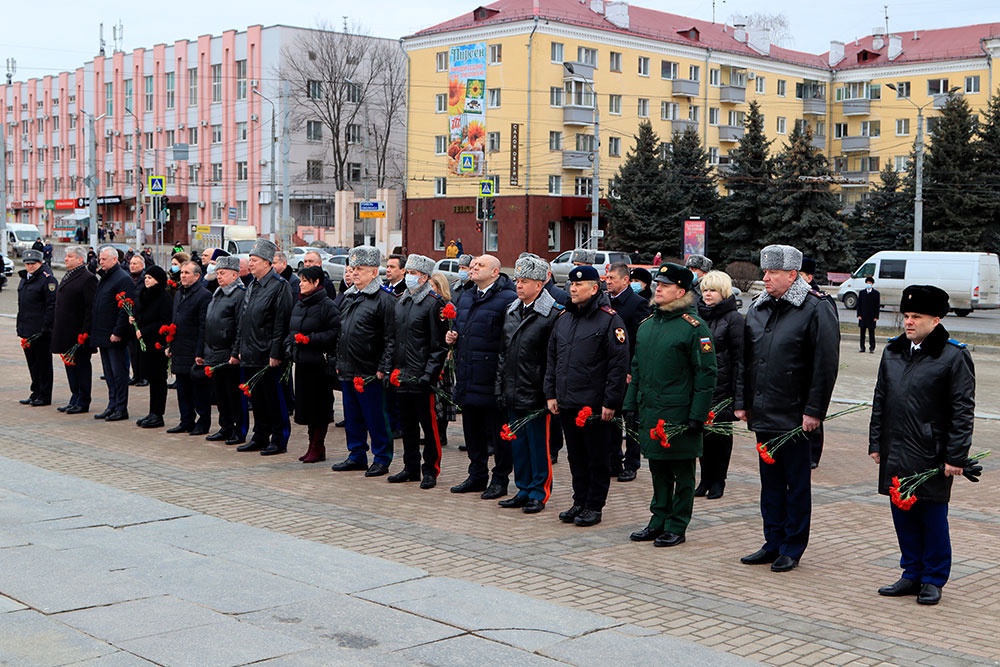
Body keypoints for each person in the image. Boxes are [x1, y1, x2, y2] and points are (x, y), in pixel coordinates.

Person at [869, 285, 976, 606]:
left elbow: (962, 411)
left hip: (931, 453)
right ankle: (911, 573)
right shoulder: (893, 352)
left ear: (937, 319)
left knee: (931, 518)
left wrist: (955, 456)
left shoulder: (954, 356)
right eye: (906, 316)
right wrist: (876, 442)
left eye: (917, 316)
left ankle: (933, 579)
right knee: (903, 515)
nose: (909, 322)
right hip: (895, 450)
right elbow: (880, 401)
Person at [735, 244, 840, 572]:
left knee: (795, 484)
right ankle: (772, 540)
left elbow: (825, 365)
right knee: (770, 483)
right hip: (764, 412)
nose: (764, 278)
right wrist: (742, 403)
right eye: (764, 271)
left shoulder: (814, 308)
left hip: (795, 416)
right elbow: (745, 360)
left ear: (792, 275)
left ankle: (793, 546)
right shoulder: (758, 307)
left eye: (772, 273)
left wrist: (814, 410)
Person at [625, 263, 717, 546]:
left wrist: (697, 416)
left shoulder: (693, 328)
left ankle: (677, 525)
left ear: (681, 290)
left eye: (665, 285)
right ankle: (658, 520)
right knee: (658, 469)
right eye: (658, 284)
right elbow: (637, 367)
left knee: (682, 472)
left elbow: (706, 375)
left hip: (679, 414)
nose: (658, 289)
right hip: (652, 410)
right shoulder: (648, 325)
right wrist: (630, 403)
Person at [545, 265, 629, 527]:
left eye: (579, 284)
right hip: (568, 400)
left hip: (593, 405)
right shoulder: (564, 318)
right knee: (576, 456)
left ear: (594, 288)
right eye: (571, 284)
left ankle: (594, 505)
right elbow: (553, 359)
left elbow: (619, 364)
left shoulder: (609, 319)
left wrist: (610, 401)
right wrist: (551, 393)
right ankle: (579, 501)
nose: (573, 288)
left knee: (596, 457)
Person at [496, 255, 563, 514]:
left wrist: (549, 392)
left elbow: (553, 358)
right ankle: (522, 488)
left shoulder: (552, 313)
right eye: (517, 280)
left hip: (536, 392)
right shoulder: (512, 309)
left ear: (539, 284)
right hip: (513, 388)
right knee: (518, 444)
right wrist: (499, 387)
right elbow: (504, 352)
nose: (519, 285)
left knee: (538, 445)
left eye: (525, 281)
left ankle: (539, 491)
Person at [448, 255, 518, 499]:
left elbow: (509, 340)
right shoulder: (467, 296)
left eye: (480, 266)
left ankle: (500, 479)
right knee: (472, 432)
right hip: (468, 375)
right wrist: (454, 337)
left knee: (498, 436)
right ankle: (477, 475)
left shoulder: (507, 298)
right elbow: (462, 327)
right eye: (473, 265)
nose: (474, 268)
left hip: (491, 379)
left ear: (495, 272)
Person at [331, 245, 396, 476]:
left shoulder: (384, 299)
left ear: (374, 272)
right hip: (348, 367)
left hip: (370, 371)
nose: (355, 272)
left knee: (376, 417)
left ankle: (382, 457)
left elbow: (391, 337)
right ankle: (356, 454)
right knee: (352, 416)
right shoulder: (349, 298)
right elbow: (343, 331)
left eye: (361, 268)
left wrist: (383, 368)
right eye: (353, 268)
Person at [386, 254, 448, 488]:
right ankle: (410, 467)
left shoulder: (433, 303)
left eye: (413, 274)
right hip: (402, 375)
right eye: (408, 273)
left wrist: (428, 375)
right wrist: (392, 368)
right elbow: (394, 338)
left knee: (428, 425)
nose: (410, 277)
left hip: (422, 377)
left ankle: (430, 469)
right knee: (407, 425)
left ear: (423, 277)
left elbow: (438, 345)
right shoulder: (402, 301)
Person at [232, 240, 294, 456]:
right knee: (257, 399)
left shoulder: (279, 286)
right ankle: (260, 435)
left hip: (268, 354)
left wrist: (276, 352)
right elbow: (244, 319)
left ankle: (279, 439)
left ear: (267, 263)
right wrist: (238, 349)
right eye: (250, 260)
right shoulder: (252, 285)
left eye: (254, 260)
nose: (250, 264)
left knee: (273, 399)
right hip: (250, 352)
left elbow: (281, 322)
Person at [694, 270, 744, 499]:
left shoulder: (733, 319)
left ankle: (718, 481)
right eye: (704, 290)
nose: (707, 294)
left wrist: (738, 395)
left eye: (712, 290)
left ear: (723, 292)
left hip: (723, 388)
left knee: (720, 437)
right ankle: (704, 479)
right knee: (702, 434)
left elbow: (739, 358)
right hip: (702, 386)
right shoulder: (698, 315)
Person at [287, 266, 341, 463]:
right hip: (302, 363)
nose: (300, 284)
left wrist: (311, 339)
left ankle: (318, 446)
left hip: (319, 365)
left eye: (304, 280)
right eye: (300, 280)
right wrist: (291, 343)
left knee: (319, 408)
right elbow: (292, 327)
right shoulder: (300, 304)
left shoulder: (327, 305)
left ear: (316, 282)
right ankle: (312, 445)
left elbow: (335, 332)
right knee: (307, 407)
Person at [604, 261, 652, 482]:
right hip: (609, 371)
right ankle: (613, 460)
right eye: (607, 278)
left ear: (625, 280)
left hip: (629, 373)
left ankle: (631, 464)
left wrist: (633, 369)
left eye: (612, 278)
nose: (608, 282)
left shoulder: (638, 304)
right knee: (611, 417)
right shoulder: (604, 302)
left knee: (631, 419)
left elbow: (640, 342)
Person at [203, 256, 248, 444]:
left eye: (223, 273)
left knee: (233, 394)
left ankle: (239, 429)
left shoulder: (239, 295)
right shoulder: (218, 293)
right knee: (220, 394)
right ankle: (225, 426)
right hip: (214, 351)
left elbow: (240, 326)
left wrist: (235, 352)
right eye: (218, 273)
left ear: (234, 274)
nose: (219, 277)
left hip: (229, 353)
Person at [91, 246, 137, 422]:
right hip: (103, 334)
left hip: (114, 336)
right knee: (109, 373)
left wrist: (118, 331)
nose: (100, 262)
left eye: (103, 259)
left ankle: (120, 407)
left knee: (119, 373)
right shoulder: (105, 277)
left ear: (114, 259)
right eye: (100, 259)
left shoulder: (122, 278)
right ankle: (111, 405)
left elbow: (126, 308)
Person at [167, 261, 212, 435]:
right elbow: (175, 320)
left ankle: (203, 422)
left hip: (194, 349)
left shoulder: (203, 295)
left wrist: (200, 352)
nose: (183, 275)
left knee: (198, 390)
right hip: (179, 347)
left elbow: (203, 326)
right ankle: (186, 420)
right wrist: (170, 344)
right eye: (182, 272)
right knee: (183, 389)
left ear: (197, 276)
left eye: (187, 272)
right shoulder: (179, 293)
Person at [51, 246, 98, 414]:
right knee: (70, 366)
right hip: (66, 331)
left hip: (79, 333)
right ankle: (75, 396)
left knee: (82, 366)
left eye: (70, 256)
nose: (66, 259)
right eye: (66, 256)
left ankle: (83, 400)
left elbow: (90, 308)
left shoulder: (88, 278)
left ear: (80, 259)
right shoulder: (69, 275)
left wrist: (85, 332)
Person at [132, 266, 173, 429]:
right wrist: (134, 320)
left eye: (150, 277)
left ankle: (158, 414)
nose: (146, 280)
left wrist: (144, 330)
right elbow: (142, 314)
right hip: (145, 344)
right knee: (152, 378)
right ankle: (152, 412)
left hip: (157, 343)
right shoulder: (144, 294)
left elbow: (164, 321)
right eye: (146, 277)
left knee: (158, 379)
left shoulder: (164, 297)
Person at [16, 249, 58, 407]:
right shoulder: (24, 278)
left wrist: (46, 327)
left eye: (33, 264)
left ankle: (45, 395)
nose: (30, 266)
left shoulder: (47, 279)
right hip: (27, 328)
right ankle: (36, 391)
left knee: (43, 363)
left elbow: (51, 305)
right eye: (27, 264)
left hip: (41, 330)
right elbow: (23, 305)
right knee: (32, 363)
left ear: (41, 263)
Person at [429, 272, 457, 448]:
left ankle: (441, 433)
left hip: (444, 356)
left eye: (432, 287)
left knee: (443, 394)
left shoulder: (447, 306)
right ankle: (434, 432)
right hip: (432, 354)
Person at [127, 255, 148, 388]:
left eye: (135, 264)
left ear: (142, 266)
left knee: (142, 350)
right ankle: (135, 375)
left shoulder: (145, 280)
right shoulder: (128, 280)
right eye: (131, 263)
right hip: (131, 319)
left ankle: (144, 376)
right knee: (132, 350)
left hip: (143, 320)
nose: (132, 266)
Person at [857, 276, 880, 354]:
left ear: (872, 284)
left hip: (871, 316)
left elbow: (877, 306)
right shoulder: (862, 293)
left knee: (871, 333)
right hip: (863, 316)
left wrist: (876, 316)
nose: (868, 284)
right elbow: (859, 305)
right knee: (862, 333)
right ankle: (862, 347)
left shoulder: (876, 294)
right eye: (867, 283)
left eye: (870, 283)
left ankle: (872, 348)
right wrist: (859, 315)